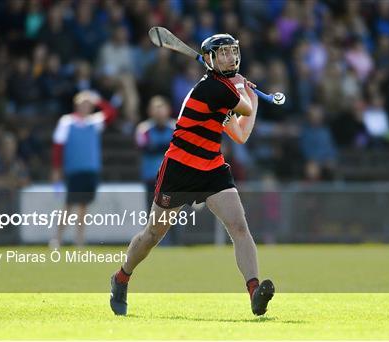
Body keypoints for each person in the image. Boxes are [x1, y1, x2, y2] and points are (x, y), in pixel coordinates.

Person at [110, 34, 275, 316]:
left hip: (211, 167)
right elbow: (244, 107)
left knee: (239, 226)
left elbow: (240, 133)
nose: (230, 58)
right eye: (222, 53)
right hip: (180, 169)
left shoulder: (226, 91)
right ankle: (121, 277)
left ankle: (254, 292)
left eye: (233, 52)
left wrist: (249, 95)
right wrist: (244, 90)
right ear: (210, 59)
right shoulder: (213, 89)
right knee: (152, 235)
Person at [50, 90, 117, 248]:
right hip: (74, 170)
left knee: (83, 206)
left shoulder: (95, 122)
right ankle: (57, 239)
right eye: (82, 103)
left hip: (90, 170)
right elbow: (58, 148)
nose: (85, 107)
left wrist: (98, 100)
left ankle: (79, 240)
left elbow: (112, 113)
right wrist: (56, 170)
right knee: (69, 205)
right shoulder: (66, 122)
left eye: (88, 104)